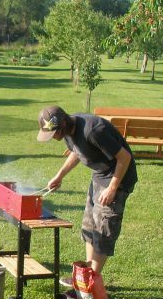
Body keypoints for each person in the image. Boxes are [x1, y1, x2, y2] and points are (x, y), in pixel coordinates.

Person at [37, 105, 137, 288]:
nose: (54, 137)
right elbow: (77, 151)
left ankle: (89, 284)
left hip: (118, 178)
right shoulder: (68, 131)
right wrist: (59, 176)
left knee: (103, 228)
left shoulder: (94, 131)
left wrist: (112, 188)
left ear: (63, 123)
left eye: (54, 133)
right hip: (100, 176)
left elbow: (125, 157)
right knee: (90, 226)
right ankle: (86, 276)